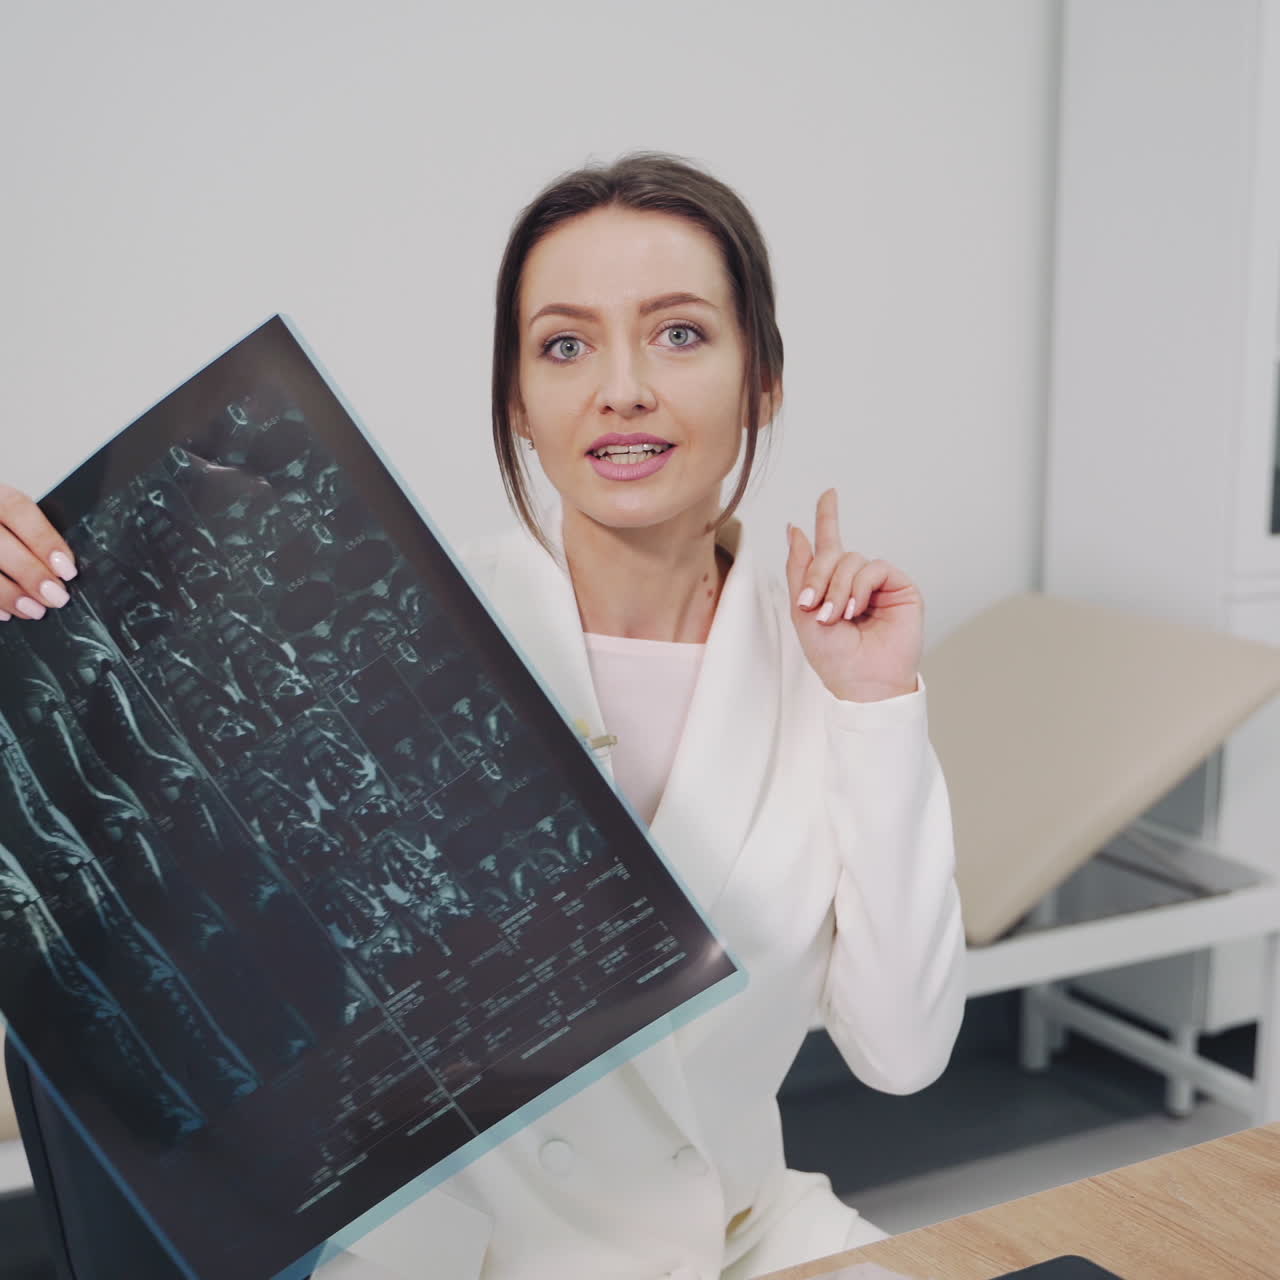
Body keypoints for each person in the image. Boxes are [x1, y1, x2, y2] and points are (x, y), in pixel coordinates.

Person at [0, 150, 967, 1280]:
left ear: (763, 380)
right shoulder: (372, 628)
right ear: (517, 396)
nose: (621, 389)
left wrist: (876, 704)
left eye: (679, 333)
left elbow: (902, 1055)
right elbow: (134, 885)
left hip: (735, 1239)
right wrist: (32, 626)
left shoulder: (828, 669)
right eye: (565, 343)